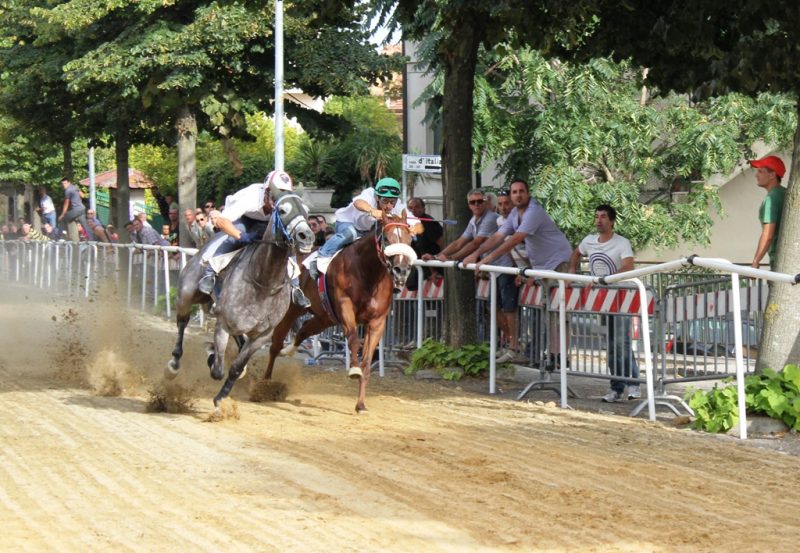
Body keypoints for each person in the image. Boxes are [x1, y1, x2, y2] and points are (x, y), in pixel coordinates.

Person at [465, 180, 572, 369]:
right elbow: (498, 237)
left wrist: (486, 259)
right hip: (540, 267)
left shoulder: (533, 211)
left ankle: (561, 356)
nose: (518, 195)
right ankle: (551, 356)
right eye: (514, 192)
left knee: (559, 312)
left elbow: (515, 239)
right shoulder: (515, 214)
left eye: (521, 191)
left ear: (528, 193)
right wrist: (475, 254)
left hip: (558, 262)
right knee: (546, 312)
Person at [199, 170, 310, 307]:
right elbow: (221, 221)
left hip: (266, 221)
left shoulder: (285, 203)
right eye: (275, 194)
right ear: (266, 191)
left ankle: (295, 287)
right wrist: (241, 235)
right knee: (235, 237)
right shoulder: (250, 197)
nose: (278, 198)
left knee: (287, 243)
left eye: (283, 193)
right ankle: (209, 274)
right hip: (245, 217)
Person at [568, 204, 639, 402]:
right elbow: (576, 253)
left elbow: (628, 266)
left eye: (603, 217)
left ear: (612, 221)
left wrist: (606, 279)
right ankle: (621, 386)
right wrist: (572, 270)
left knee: (621, 343)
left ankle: (627, 385)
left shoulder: (622, 242)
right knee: (613, 344)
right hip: (603, 300)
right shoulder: (589, 241)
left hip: (621, 297)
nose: (599, 220)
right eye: (597, 216)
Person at [309, 177, 420, 278]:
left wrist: (414, 228)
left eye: (392, 202)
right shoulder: (369, 193)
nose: (389, 206)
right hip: (349, 223)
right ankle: (321, 256)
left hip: (369, 231)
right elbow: (358, 203)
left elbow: (417, 224)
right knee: (350, 233)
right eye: (385, 201)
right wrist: (372, 211)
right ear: (377, 197)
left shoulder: (399, 205)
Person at [748, 155, 787, 270]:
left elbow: (768, 235)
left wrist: (756, 261)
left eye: (760, 171)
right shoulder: (785, 193)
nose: (756, 175)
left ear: (772, 175)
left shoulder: (771, 198)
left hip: (780, 261)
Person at [406, 197, 443, 288]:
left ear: (423, 209)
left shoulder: (429, 223)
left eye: (417, 207)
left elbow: (442, 244)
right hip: (421, 264)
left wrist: (434, 270)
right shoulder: (409, 224)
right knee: (409, 284)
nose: (413, 210)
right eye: (410, 208)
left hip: (435, 264)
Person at [56, 178, 90, 242]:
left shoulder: (68, 190)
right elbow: (82, 195)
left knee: (63, 219)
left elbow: (66, 203)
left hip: (76, 209)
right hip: (82, 208)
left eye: (65, 183)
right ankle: (91, 239)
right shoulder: (75, 187)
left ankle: (61, 237)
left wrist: (62, 214)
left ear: (69, 183)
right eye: (62, 184)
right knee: (85, 225)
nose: (64, 185)